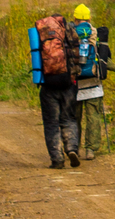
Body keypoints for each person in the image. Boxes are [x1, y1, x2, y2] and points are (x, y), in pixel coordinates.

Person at [34, 12, 81, 169]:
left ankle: (57, 158)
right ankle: (72, 148)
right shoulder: (70, 31)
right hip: (68, 83)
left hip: (48, 85)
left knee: (51, 122)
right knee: (69, 118)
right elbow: (79, 56)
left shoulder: (42, 32)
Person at [72, 4, 114, 161]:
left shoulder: (70, 34)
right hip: (94, 84)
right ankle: (90, 149)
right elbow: (106, 57)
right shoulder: (96, 34)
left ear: (74, 19)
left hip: (75, 84)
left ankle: (73, 147)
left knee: (74, 118)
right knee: (93, 117)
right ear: (89, 18)